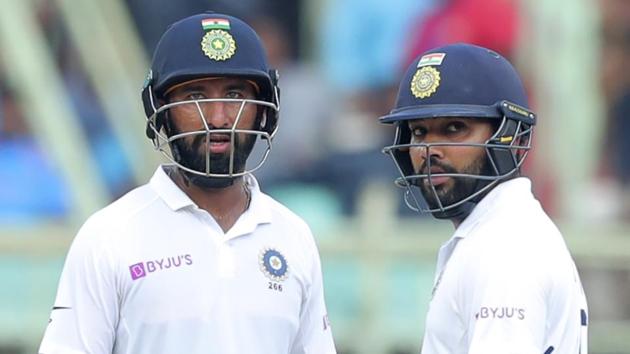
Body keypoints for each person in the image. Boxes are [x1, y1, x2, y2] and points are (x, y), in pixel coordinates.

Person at [39, 12, 336, 354]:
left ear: (265, 109)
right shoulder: (109, 235)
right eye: (195, 96)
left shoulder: (293, 235)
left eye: (236, 95)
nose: (218, 118)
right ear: (159, 109)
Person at [379, 43, 588, 353]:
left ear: (508, 136)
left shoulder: (506, 249)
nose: (429, 149)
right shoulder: (497, 234)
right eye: (419, 131)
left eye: (454, 128)